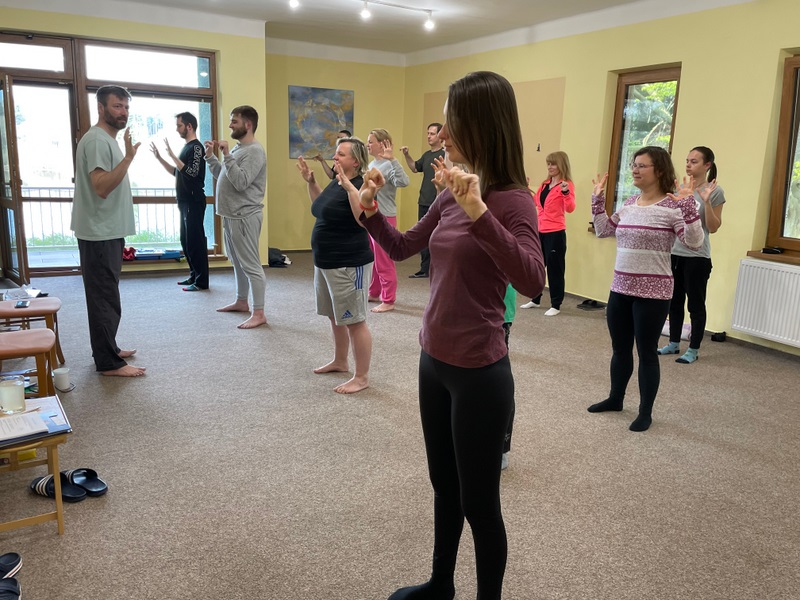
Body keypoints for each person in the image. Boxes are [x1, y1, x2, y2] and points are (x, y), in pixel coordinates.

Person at [342, 71, 545, 600]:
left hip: (480, 371)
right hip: (433, 360)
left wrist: (479, 211)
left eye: (454, 122)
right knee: (444, 487)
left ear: (481, 125)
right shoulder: (451, 191)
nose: (444, 134)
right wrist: (370, 209)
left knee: (480, 504)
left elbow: (532, 280)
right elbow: (403, 246)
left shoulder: (512, 200)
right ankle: (441, 585)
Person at [588, 146, 704, 432]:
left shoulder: (673, 206)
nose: (635, 170)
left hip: (653, 293)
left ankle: (645, 412)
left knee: (647, 352)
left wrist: (689, 207)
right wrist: (597, 200)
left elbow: (694, 243)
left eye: (642, 165)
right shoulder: (629, 203)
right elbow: (603, 230)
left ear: (659, 170)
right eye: (634, 165)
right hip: (620, 288)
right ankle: (616, 399)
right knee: (620, 349)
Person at [71, 85, 146, 377]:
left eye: (126, 107)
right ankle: (108, 363)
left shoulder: (105, 139)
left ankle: (108, 349)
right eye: (117, 106)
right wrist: (128, 159)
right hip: (99, 232)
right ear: (101, 108)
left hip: (106, 231)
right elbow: (101, 187)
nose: (123, 112)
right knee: (104, 297)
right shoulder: (97, 140)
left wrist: (125, 156)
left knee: (106, 295)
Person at [296, 137, 374, 394]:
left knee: (355, 320)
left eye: (341, 154)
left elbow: (362, 220)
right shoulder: (337, 181)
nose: (335, 157)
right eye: (336, 153)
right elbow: (321, 208)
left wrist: (350, 186)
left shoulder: (362, 185)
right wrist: (311, 182)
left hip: (349, 263)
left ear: (356, 161)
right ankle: (341, 361)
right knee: (335, 315)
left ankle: (361, 377)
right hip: (325, 262)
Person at [658, 146, 725, 364]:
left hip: (697, 257)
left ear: (707, 165)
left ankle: (693, 349)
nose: (688, 165)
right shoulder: (679, 188)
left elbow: (713, 227)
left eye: (694, 161)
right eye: (687, 160)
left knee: (695, 305)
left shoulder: (715, 191)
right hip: (674, 253)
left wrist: (706, 201)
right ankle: (674, 343)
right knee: (674, 302)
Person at [204, 105, 268, 329]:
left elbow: (241, 182)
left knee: (251, 265)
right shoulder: (240, 148)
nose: (230, 125)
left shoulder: (255, 151)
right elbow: (225, 175)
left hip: (244, 216)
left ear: (248, 124)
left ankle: (259, 312)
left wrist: (227, 155)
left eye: (234, 121)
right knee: (238, 263)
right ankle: (242, 302)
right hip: (231, 215)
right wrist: (211, 158)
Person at [150, 112, 208, 291]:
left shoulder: (196, 148)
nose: (177, 129)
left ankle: (201, 282)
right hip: (184, 202)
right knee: (186, 241)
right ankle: (193, 276)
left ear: (189, 126)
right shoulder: (187, 148)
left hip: (193, 201)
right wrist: (160, 158)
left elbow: (192, 173)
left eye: (179, 125)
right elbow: (178, 172)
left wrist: (172, 156)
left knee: (195, 242)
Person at [519, 151, 575, 315]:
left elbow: (570, 208)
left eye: (553, 164)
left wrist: (565, 193)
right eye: (548, 164)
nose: (550, 167)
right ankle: (535, 299)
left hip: (556, 232)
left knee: (554, 268)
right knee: (536, 266)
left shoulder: (566, 184)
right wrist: (525, 188)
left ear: (561, 165)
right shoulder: (545, 184)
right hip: (540, 230)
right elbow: (535, 203)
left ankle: (556, 304)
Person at [365, 129, 410, 312]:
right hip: (372, 216)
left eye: (371, 141)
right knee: (375, 258)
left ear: (382, 143)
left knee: (384, 260)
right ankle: (374, 292)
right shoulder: (372, 164)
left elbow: (404, 181)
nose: (368, 145)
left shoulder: (389, 164)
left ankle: (388, 299)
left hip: (385, 217)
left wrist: (393, 160)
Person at [401, 123, 445, 278]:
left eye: (432, 133)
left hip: (438, 201)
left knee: (438, 236)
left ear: (440, 135)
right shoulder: (426, 155)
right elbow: (414, 168)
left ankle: (438, 269)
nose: (428, 136)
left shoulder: (445, 155)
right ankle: (424, 269)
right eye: (428, 133)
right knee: (423, 235)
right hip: (424, 201)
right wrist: (407, 155)